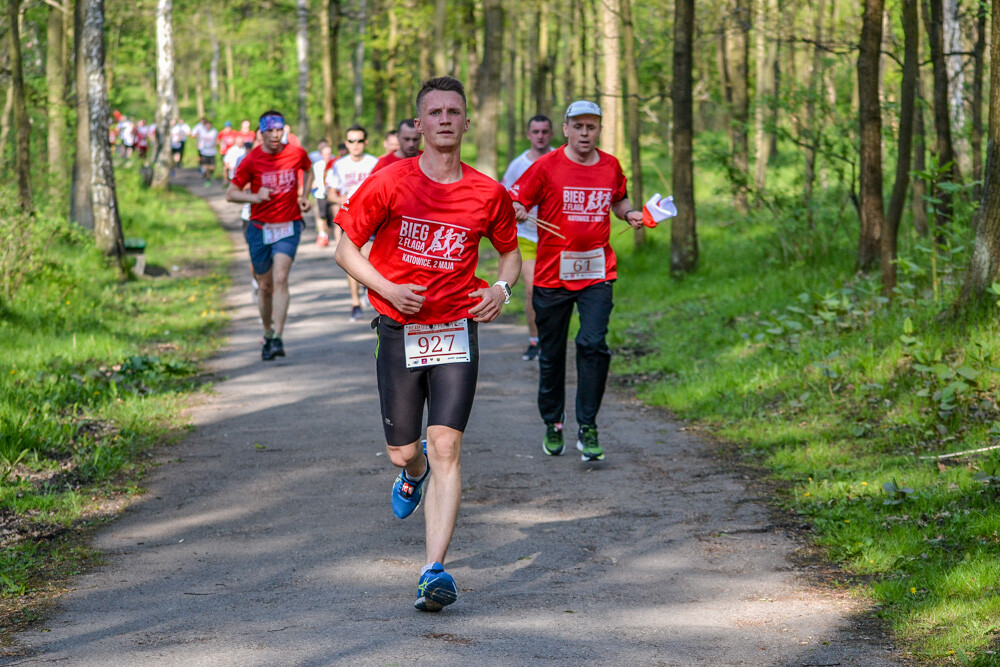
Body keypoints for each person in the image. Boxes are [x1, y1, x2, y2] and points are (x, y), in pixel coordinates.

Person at [334, 76, 520, 612]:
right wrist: (387, 287)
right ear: (418, 124)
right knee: (407, 450)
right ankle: (411, 475)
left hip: (456, 329)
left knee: (446, 445)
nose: (443, 119)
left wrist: (503, 290)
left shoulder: (489, 192)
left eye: (453, 111)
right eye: (433, 112)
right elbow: (347, 249)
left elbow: (510, 255)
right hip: (399, 328)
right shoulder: (391, 182)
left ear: (465, 122)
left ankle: (433, 570)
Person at [509, 100, 643, 462]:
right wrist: (519, 208)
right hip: (552, 275)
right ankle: (553, 422)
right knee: (552, 356)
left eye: (592, 127)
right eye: (578, 126)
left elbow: (618, 198)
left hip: (597, 271)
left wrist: (628, 213)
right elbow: (517, 199)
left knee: (593, 343)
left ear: (599, 129)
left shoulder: (611, 165)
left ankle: (588, 425)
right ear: (565, 129)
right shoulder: (545, 166)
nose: (585, 133)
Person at [226, 110, 313, 361]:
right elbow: (231, 194)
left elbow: (308, 171)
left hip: (288, 225)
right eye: (270, 131)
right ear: (260, 133)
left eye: (279, 130)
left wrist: (304, 196)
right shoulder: (252, 159)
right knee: (264, 286)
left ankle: (278, 337)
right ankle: (267, 331)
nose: (275, 135)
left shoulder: (296, 153)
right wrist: (254, 196)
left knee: (281, 279)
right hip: (260, 228)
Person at [500, 114, 555, 361]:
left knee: (557, 292)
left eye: (545, 131)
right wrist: (517, 208)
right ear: (528, 134)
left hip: (557, 238)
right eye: (536, 132)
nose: (540, 136)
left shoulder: (560, 160)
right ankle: (535, 341)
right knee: (534, 289)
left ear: (552, 133)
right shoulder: (517, 165)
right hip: (527, 236)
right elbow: (506, 198)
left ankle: (553, 340)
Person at [326, 124, 379, 320]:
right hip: (351, 219)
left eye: (359, 141)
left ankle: (367, 287)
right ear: (346, 143)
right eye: (351, 141)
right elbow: (331, 194)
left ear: (365, 142)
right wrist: (344, 201)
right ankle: (355, 302)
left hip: (373, 218)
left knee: (370, 256)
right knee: (351, 257)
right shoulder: (339, 165)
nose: (355, 145)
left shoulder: (375, 163)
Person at [311, 141, 335, 247]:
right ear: (321, 155)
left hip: (330, 194)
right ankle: (322, 235)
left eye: (329, 153)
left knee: (330, 218)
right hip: (321, 194)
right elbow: (316, 179)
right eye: (325, 154)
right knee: (322, 216)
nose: (327, 156)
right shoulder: (317, 165)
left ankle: (327, 235)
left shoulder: (335, 165)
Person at [193, 118, 219, 185]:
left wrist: (217, 144)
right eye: (206, 125)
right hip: (204, 151)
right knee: (206, 166)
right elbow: (198, 138)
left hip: (212, 152)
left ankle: (211, 173)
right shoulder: (202, 132)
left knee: (212, 167)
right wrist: (198, 145)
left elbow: (217, 140)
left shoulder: (214, 132)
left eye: (209, 125)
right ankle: (208, 179)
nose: (208, 127)